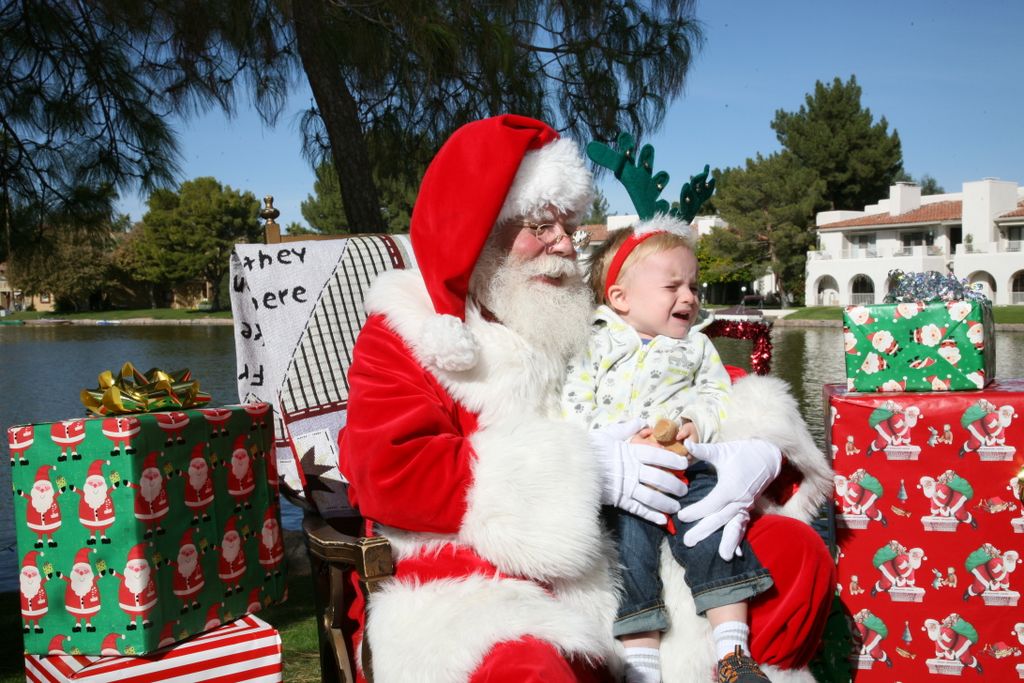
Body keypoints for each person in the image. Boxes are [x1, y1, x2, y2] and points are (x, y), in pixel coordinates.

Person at [337, 114, 834, 683]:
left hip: (631, 544)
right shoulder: (409, 332)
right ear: (477, 228)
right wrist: (586, 470)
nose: (563, 245)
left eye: (568, 226)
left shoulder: (581, 319)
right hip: (485, 575)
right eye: (540, 225)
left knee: (794, 554)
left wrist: (756, 447)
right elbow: (389, 469)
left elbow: (676, 376)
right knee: (526, 668)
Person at [563, 223, 775, 683]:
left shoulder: (697, 346)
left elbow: (717, 396)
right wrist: (612, 442)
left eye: (693, 286)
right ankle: (642, 664)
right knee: (629, 548)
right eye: (672, 286)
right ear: (620, 299)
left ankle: (733, 653)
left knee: (716, 530)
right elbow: (575, 404)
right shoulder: (595, 342)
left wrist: (698, 422)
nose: (690, 297)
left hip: (685, 459)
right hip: (624, 471)